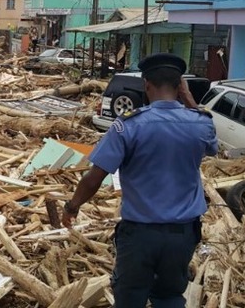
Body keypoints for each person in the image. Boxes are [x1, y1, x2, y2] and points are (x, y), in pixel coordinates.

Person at [61, 53, 218, 308]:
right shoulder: (200, 124)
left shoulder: (129, 126)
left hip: (140, 236)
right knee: (169, 297)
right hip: (182, 235)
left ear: (146, 85)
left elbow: (95, 177)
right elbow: (212, 146)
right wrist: (190, 102)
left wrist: (72, 206)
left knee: (129, 298)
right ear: (180, 86)